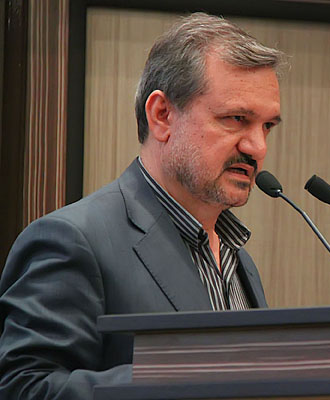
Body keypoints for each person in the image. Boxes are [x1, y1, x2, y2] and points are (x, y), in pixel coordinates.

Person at [0, 12, 285, 399]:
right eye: (236, 119)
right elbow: (25, 387)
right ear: (162, 115)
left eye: (267, 126)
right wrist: (186, 377)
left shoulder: (239, 260)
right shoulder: (72, 240)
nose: (257, 147)